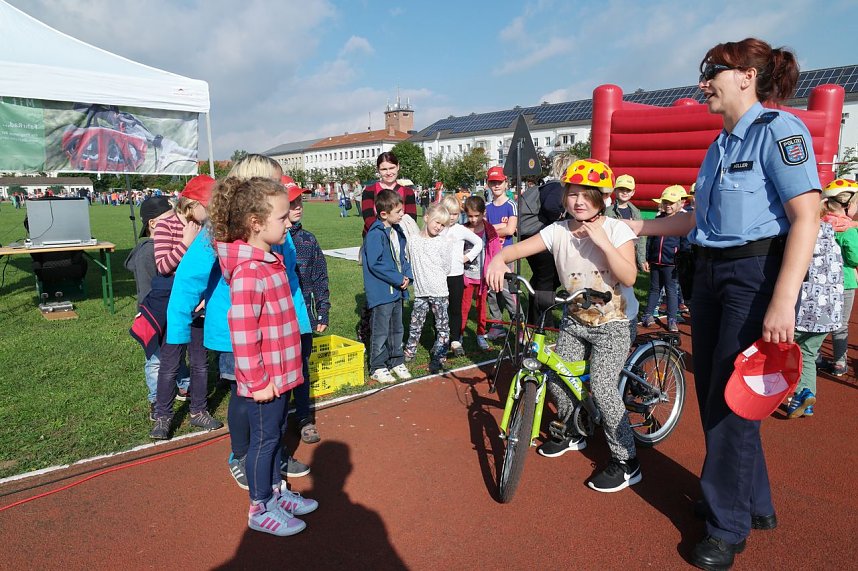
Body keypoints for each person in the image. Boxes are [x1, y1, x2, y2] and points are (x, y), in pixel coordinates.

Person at [624, 39, 821, 569]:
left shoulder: (779, 131)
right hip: (709, 274)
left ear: (747, 76)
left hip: (752, 276)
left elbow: (807, 216)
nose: (703, 82)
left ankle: (726, 526)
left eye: (712, 71)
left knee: (734, 399)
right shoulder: (719, 145)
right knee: (719, 393)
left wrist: (783, 300)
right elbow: (697, 219)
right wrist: (635, 227)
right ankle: (753, 503)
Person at [487, 158, 642, 493]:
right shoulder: (557, 231)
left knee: (602, 387)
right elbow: (518, 249)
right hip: (575, 317)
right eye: (573, 194)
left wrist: (602, 241)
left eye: (587, 194)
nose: (579, 201)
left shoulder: (617, 230)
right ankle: (572, 431)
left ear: (603, 197)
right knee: (557, 375)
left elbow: (629, 276)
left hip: (614, 322)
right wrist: (499, 259)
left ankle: (627, 461)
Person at [165, 155, 309, 488]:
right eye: (276, 181)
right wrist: (177, 331)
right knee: (245, 399)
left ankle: (272, 453)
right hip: (236, 333)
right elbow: (188, 278)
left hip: (274, 333)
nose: (283, 185)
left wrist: (300, 324)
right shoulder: (219, 230)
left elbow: (289, 281)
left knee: (276, 398)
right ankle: (241, 455)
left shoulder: (278, 231)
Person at [210, 176, 318, 537]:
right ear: (256, 223)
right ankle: (260, 507)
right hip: (264, 381)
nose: (289, 223)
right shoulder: (248, 271)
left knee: (276, 435)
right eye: (282, 217)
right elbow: (242, 334)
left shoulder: (270, 260)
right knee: (265, 441)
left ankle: (275, 492)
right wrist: (256, 381)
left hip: (281, 374)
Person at [149, 175, 223, 439]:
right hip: (174, 306)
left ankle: (198, 410)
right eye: (209, 207)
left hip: (199, 305)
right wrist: (186, 242)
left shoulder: (209, 229)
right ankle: (163, 416)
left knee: (200, 362)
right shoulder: (166, 225)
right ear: (192, 204)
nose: (213, 213)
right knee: (170, 362)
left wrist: (206, 297)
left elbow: (212, 268)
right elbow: (163, 266)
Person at [124, 196, 189, 420]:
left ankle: (183, 385)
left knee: (176, 349)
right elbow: (147, 290)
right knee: (155, 359)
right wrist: (151, 316)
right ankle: (155, 399)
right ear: (153, 224)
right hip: (154, 314)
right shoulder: (147, 253)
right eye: (169, 218)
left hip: (171, 309)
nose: (175, 222)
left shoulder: (168, 247)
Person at [284, 179, 331, 444]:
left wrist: (323, 308)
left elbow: (320, 275)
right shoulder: (271, 242)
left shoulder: (308, 240)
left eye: (299, 201)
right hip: (278, 318)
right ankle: (279, 419)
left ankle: (303, 417)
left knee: (301, 366)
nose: (298, 207)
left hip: (303, 317)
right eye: (292, 203)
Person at [788, 220, 843, 418]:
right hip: (828, 314)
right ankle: (806, 395)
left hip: (802, 312)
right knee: (808, 354)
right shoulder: (832, 241)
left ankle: (794, 394)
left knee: (785, 353)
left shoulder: (797, 238)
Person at [362, 189, 413, 384]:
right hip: (382, 292)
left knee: (397, 328)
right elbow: (376, 264)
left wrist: (407, 276)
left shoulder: (397, 231)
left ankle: (396, 360)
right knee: (381, 331)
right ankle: (377, 366)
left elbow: (403, 257)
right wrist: (398, 278)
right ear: (384, 214)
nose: (402, 214)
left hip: (397, 291)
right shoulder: (375, 234)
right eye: (398, 211)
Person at [400, 203, 453, 373]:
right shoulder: (413, 240)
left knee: (442, 326)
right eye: (437, 222)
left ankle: (440, 355)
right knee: (415, 323)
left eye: (443, 225)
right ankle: (410, 351)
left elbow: (446, 267)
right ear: (426, 218)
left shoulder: (443, 242)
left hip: (439, 291)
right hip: (421, 292)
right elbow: (408, 259)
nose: (439, 227)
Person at [818, 178, 858, 377]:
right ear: (848, 205)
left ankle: (814, 354)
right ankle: (840, 362)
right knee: (841, 324)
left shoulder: (821, 223)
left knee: (823, 319)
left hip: (823, 280)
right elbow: (854, 258)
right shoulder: (848, 231)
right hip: (846, 282)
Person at [639, 185, 690, 332]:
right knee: (654, 289)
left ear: (679, 204)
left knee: (671, 290)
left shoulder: (681, 220)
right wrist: (647, 258)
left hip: (671, 264)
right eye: (665, 202)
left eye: (671, 203)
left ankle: (672, 319)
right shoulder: (658, 219)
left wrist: (680, 260)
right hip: (656, 261)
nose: (668, 205)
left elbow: (685, 244)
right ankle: (648, 314)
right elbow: (650, 239)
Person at [439, 195, 483, 357]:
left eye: (455, 214)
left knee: (455, 308)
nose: (451, 217)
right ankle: (441, 338)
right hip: (439, 276)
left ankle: (456, 340)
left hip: (456, 275)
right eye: (449, 213)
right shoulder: (437, 228)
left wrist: (467, 257)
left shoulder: (460, 229)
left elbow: (479, 243)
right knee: (440, 309)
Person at [484, 166, 520, 340]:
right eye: (493, 182)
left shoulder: (511, 205)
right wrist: (500, 227)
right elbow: (485, 230)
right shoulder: (487, 207)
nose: (496, 185)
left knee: (507, 291)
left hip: (506, 255)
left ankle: (520, 325)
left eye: (499, 182)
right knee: (492, 292)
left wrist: (494, 228)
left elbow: (511, 230)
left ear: (506, 183)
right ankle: (497, 325)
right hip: (491, 255)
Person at [462, 196, 501, 351]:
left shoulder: (489, 230)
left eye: (476, 215)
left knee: (481, 307)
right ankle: (459, 335)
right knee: (464, 307)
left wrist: (493, 271)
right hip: (466, 276)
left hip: (483, 277)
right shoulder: (462, 230)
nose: (473, 219)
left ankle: (480, 333)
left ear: (483, 213)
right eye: (470, 216)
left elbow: (496, 251)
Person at [360, 152, 417, 237]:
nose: (388, 172)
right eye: (384, 169)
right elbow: (368, 219)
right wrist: (385, 232)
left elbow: (410, 219)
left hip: (401, 237)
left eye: (391, 168)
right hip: (376, 237)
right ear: (378, 170)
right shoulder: (369, 191)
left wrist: (395, 235)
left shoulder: (408, 192)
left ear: (398, 167)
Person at [605, 174, 646, 272]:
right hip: (613, 253)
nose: (625, 192)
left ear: (633, 192)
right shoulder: (607, 212)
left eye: (628, 190)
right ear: (615, 190)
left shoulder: (636, 213)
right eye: (621, 189)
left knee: (628, 279)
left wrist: (641, 260)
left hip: (630, 254)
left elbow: (641, 238)